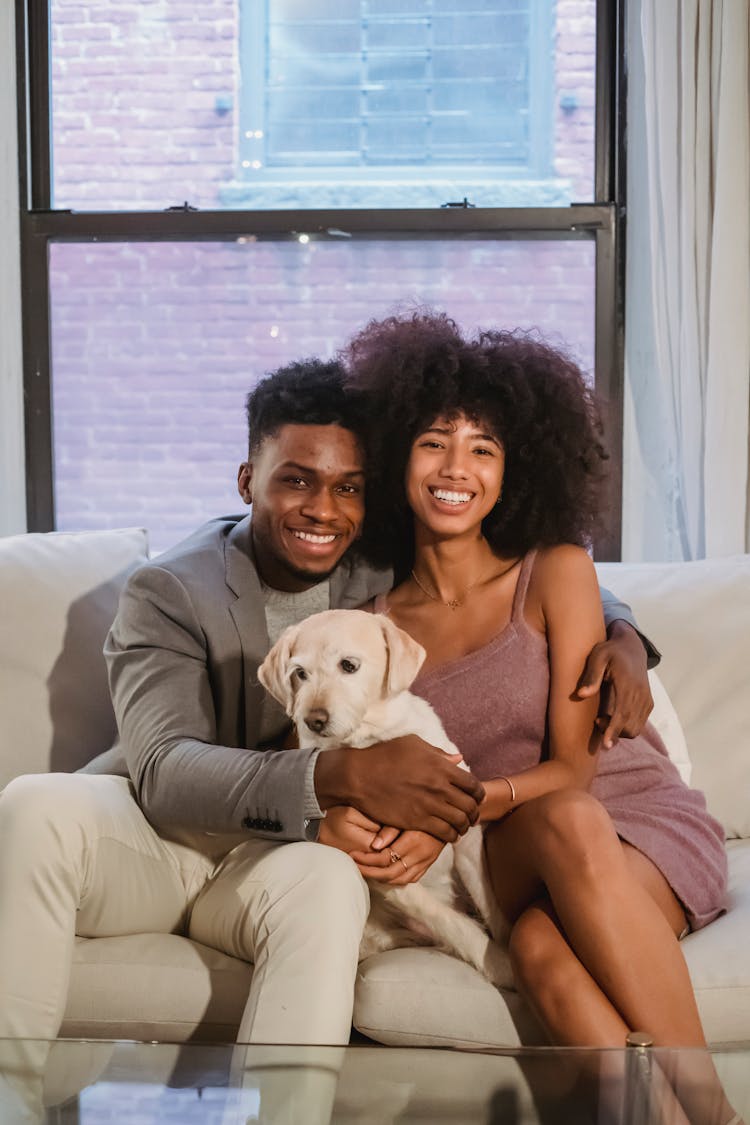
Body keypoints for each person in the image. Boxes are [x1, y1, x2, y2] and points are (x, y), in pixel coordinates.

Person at [0, 357, 654, 1056]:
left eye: (348, 487)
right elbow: (164, 769)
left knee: (327, 883)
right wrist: (330, 780)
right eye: (296, 481)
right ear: (248, 479)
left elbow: (500, 569)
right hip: (166, 840)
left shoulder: (372, 561)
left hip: (283, 856)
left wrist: (625, 633)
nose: (323, 509)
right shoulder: (167, 591)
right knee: (33, 801)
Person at [338, 311, 735, 1124]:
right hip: (509, 844)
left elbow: (575, 771)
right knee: (549, 862)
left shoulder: (555, 570)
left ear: (514, 468)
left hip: (627, 821)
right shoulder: (375, 627)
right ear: (394, 457)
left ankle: (714, 1116)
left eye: (483, 447)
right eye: (434, 441)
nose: (458, 467)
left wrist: (448, 812)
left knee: (542, 946)